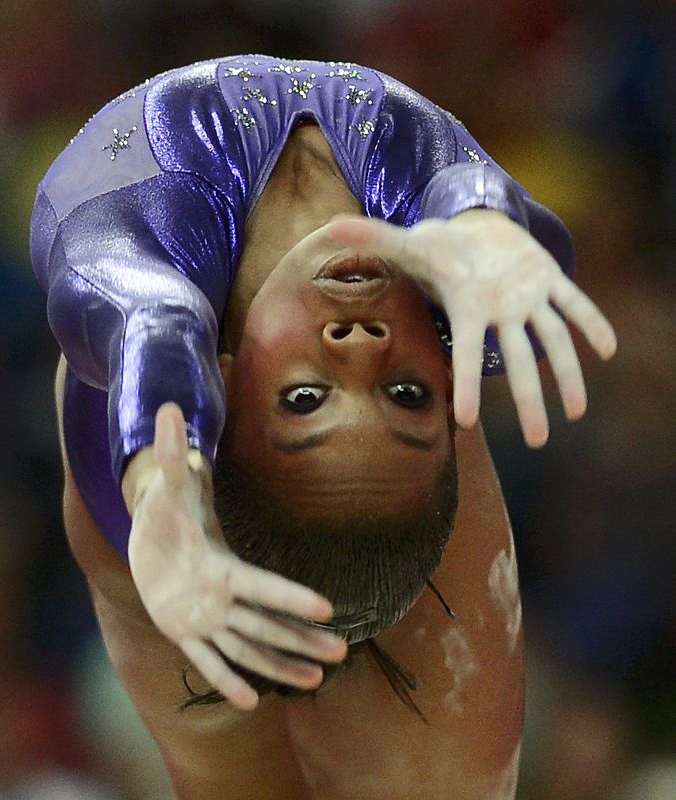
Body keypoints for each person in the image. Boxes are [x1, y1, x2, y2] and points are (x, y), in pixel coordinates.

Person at [31, 55, 616, 799]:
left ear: (226, 376)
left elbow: (155, 328)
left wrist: (159, 491)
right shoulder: (430, 281)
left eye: (306, 399)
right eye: (405, 392)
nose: (362, 347)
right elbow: (496, 235)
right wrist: (485, 229)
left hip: (169, 551)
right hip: (361, 530)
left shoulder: (134, 247)